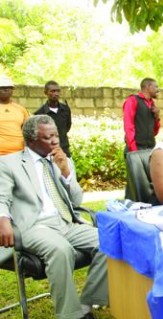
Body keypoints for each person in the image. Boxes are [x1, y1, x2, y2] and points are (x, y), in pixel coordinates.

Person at [0, 115, 107, 319]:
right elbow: (1, 196)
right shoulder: (9, 163)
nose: (55, 141)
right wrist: (2, 220)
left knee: (109, 242)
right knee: (61, 249)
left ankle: (87, 303)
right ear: (31, 140)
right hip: (33, 226)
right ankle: (71, 315)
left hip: (65, 222)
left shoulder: (62, 161)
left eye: (56, 135)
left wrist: (66, 172)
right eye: (48, 137)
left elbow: (76, 200)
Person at [34, 80, 72, 157]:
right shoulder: (39, 113)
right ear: (46, 93)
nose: (56, 94)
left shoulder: (65, 109)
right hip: (48, 152)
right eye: (53, 91)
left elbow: (67, 126)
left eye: (58, 91)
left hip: (64, 149)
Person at [123, 77, 161, 153]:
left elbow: (154, 132)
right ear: (148, 87)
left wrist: (157, 117)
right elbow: (128, 126)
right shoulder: (132, 100)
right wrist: (133, 150)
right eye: (156, 87)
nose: (158, 90)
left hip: (150, 149)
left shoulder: (153, 105)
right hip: (136, 149)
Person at [0, 75, 29, 156]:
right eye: (2, 87)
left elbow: (29, 130)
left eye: (9, 87)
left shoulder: (21, 109)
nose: (6, 89)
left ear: (12, 90)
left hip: (19, 154)